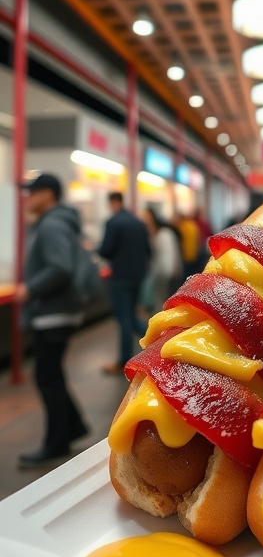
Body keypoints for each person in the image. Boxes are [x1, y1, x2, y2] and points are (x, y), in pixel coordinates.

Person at [14, 173, 90, 467]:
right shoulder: (58, 222)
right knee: (51, 374)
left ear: (48, 194)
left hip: (53, 313)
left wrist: (30, 288)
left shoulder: (51, 225)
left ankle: (56, 443)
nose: (28, 198)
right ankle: (73, 427)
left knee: (47, 376)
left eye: (33, 192)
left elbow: (60, 267)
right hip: (58, 311)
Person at [98, 191, 151, 376]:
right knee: (129, 314)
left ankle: (124, 359)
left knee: (124, 318)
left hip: (120, 276)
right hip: (138, 275)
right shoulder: (138, 223)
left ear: (113, 202)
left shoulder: (113, 223)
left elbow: (105, 250)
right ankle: (153, 337)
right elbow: (148, 250)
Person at [142, 205, 183, 311]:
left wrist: (169, 273)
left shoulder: (164, 234)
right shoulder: (155, 235)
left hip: (166, 273)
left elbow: (170, 256)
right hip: (160, 272)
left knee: (164, 300)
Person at [173, 209, 201, 281]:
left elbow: (179, 242)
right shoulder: (193, 225)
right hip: (194, 255)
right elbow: (198, 239)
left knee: (185, 279)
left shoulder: (182, 227)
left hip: (185, 256)